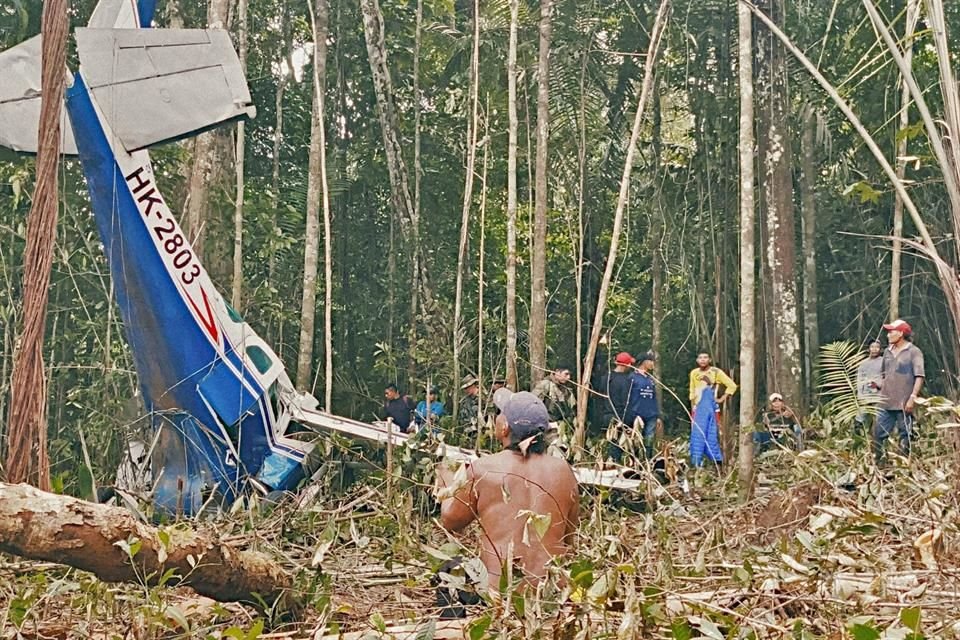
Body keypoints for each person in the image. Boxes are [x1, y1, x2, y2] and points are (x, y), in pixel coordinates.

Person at [434, 390, 579, 599]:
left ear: (504, 427)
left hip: (499, 596)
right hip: (551, 594)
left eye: (500, 413)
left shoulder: (483, 469)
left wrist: (448, 482)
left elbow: (450, 522)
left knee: (449, 569)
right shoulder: (564, 471)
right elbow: (569, 537)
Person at [874, 319, 924, 462]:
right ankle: (880, 465)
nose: (888, 335)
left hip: (904, 402)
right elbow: (884, 375)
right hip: (886, 401)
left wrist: (912, 397)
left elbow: (919, 376)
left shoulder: (914, 352)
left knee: (905, 435)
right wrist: (878, 386)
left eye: (891, 332)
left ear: (901, 333)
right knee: (878, 434)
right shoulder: (887, 353)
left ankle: (903, 467)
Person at [625, 352, 661, 458]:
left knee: (649, 440)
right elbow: (628, 397)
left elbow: (654, 397)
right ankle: (635, 463)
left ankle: (648, 461)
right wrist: (631, 414)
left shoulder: (650, 379)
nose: (653, 363)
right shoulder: (632, 377)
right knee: (636, 440)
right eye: (651, 361)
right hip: (637, 415)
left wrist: (658, 415)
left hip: (651, 414)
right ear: (644, 362)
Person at [855, 340, 883, 437]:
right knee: (860, 417)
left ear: (880, 349)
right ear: (868, 348)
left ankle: (877, 439)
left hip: (879, 394)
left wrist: (878, 384)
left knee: (879, 419)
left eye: (877, 347)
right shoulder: (863, 363)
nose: (874, 349)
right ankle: (859, 438)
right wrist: (860, 395)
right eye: (872, 347)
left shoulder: (883, 362)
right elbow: (859, 379)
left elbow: (887, 377)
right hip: (865, 394)